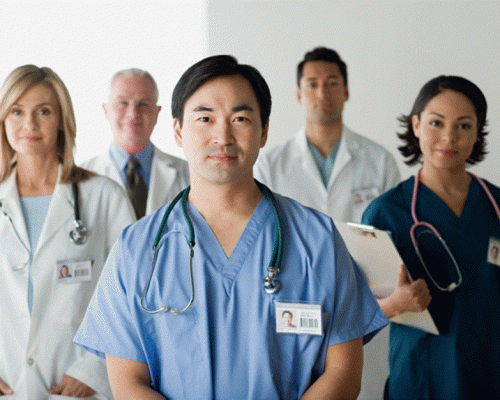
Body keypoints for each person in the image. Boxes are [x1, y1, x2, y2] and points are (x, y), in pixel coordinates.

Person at [74, 55, 388, 399]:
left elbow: (344, 371)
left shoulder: (317, 239)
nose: (222, 136)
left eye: (239, 118)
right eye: (205, 118)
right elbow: (127, 382)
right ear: (178, 130)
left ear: (264, 131)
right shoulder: (137, 248)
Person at [0, 65, 135, 399]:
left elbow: (131, 294)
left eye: (43, 111)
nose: (29, 124)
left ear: (62, 120)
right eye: (17, 111)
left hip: (80, 385)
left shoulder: (104, 197)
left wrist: (94, 368)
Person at [362, 75, 500, 399]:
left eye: (464, 126)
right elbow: (354, 316)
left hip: (489, 379)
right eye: (436, 123)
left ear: (478, 132)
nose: (449, 137)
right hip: (420, 381)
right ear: (416, 125)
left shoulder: (496, 207)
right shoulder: (386, 213)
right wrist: (394, 305)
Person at [254, 47, 400, 223]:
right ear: (299, 95)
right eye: (312, 84)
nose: (322, 94)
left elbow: (391, 231)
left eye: (331, 83)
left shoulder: (381, 161)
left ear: (346, 92)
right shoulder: (269, 166)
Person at [82, 68, 189, 219]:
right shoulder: (82, 178)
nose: (133, 113)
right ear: (106, 110)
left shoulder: (188, 174)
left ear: (157, 112)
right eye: (122, 103)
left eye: (143, 104)